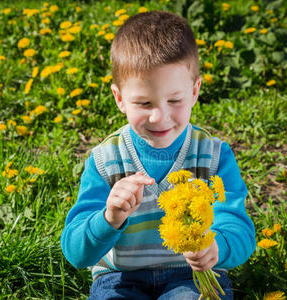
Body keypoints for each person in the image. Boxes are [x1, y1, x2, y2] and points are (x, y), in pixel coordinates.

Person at [60, 10, 255, 299]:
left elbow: (238, 226)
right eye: (143, 102)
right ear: (119, 99)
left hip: (191, 276)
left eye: (174, 100)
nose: (158, 117)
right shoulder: (105, 161)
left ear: (194, 91)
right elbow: (76, 253)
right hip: (120, 278)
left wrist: (218, 248)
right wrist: (109, 217)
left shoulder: (214, 156)